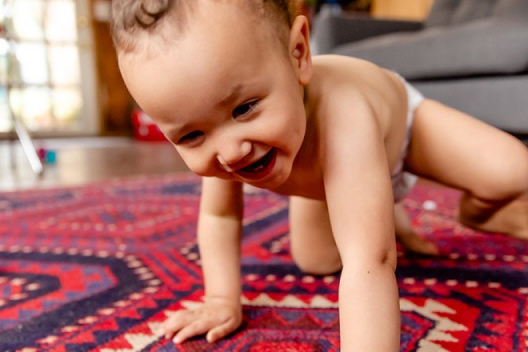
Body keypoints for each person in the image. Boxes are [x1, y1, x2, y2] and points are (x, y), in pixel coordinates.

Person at [111, 0, 528, 350]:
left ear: (298, 56)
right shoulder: (215, 123)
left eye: (245, 109)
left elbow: (371, 261)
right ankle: (375, 203)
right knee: (315, 260)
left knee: (514, 170)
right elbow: (221, 216)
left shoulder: (344, 116)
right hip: (330, 174)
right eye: (191, 136)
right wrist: (222, 297)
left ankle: (477, 212)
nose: (231, 151)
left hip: (406, 130)